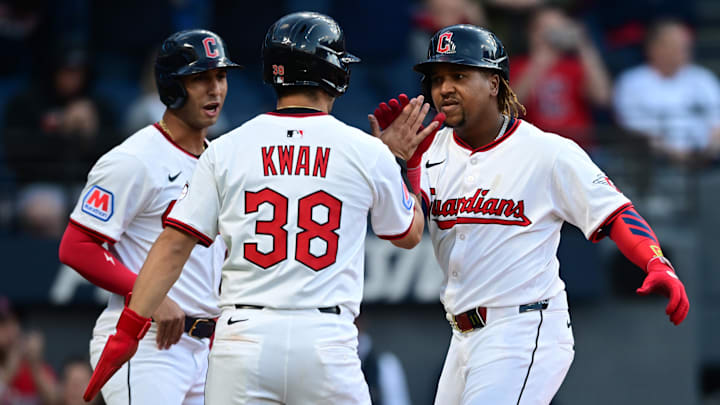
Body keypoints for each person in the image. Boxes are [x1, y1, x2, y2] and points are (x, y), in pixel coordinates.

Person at [83, 12, 432, 405]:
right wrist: (406, 163)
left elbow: (172, 247)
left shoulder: (227, 149)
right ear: (333, 73)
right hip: (325, 339)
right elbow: (409, 233)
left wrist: (127, 332)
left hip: (242, 339)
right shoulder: (367, 151)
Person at [370, 24, 689, 404]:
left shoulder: (546, 151)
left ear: (493, 83)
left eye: (459, 75)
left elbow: (616, 211)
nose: (445, 88)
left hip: (522, 327)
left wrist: (656, 262)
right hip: (462, 336)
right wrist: (395, 166)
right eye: (437, 79)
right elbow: (403, 232)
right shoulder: (428, 151)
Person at [57, 29, 242, 405]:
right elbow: (76, 246)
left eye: (220, 76)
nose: (215, 89)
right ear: (173, 87)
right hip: (146, 344)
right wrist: (149, 296)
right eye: (199, 79)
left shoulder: (220, 162)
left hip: (205, 348)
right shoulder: (135, 158)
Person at [614, 18, 720, 166]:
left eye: (685, 45)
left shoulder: (703, 78)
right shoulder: (631, 82)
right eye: (675, 45)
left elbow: (717, 123)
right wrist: (674, 153)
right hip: (656, 164)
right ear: (654, 48)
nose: (684, 50)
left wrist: (709, 150)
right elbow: (634, 128)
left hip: (707, 161)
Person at [510, 6, 612, 152]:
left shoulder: (575, 66)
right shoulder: (519, 66)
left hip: (578, 146)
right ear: (531, 32)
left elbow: (602, 97)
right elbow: (512, 107)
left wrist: (584, 46)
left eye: (558, 28)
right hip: (535, 149)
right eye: (546, 28)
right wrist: (540, 60)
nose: (553, 34)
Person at [0, 297, 58, 405]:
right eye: (2, 324)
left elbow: (55, 400)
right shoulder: (12, 364)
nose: (8, 330)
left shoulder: (34, 367)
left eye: (12, 322)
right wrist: (11, 366)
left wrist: (35, 365)